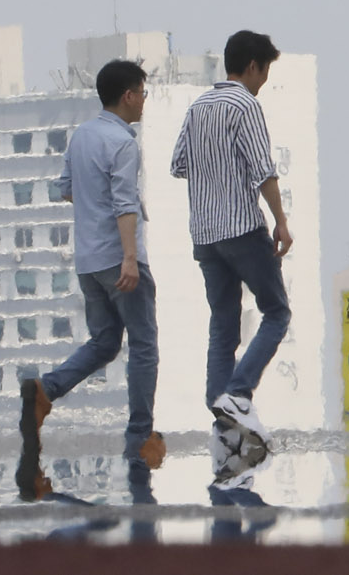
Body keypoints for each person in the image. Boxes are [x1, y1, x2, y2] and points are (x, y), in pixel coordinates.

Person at [18, 59, 163, 499]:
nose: (144, 101)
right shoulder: (123, 142)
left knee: (104, 342)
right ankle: (141, 437)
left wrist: (91, 198)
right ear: (128, 95)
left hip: (87, 259)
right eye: (142, 92)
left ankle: (46, 391)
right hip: (118, 258)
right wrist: (131, 259)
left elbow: (65, 187)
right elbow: (125, 205)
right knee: (143, 345)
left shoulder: (82, 135)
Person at [172, 29, 293, 462]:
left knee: (223, 321)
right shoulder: (245, 105)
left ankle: (220, 408)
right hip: (241, 227)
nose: (264, 81)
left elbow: (179, 164)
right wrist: (280, 221)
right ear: (254, 66)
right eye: (265, 71)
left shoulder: (198, 106)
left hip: (204, 233)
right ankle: (238, 395)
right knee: (276, 312)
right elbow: (263, 169)